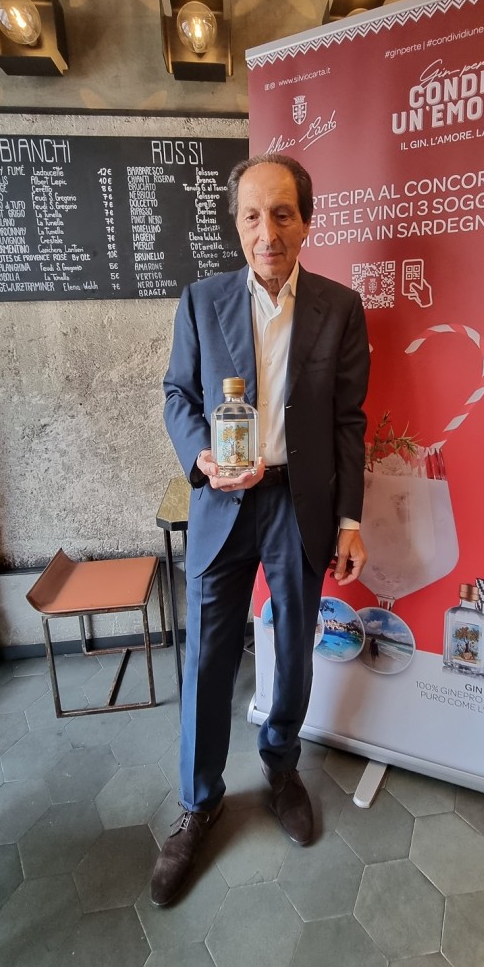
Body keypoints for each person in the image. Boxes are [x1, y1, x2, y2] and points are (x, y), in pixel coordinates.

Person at [150, 153, 370, 907]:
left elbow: (347, 422)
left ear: (306, 221)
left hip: (298, 505)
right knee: (208, 656)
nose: (266, 232)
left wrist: (350, 519)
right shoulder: (201, 300)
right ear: (237, 224)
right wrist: (200, 456)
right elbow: (177, 394)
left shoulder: (340, 308)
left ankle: (280, 766)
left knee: (295, 649)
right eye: (251, 216)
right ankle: (199, 799)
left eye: (281, 214)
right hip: (222, 503)